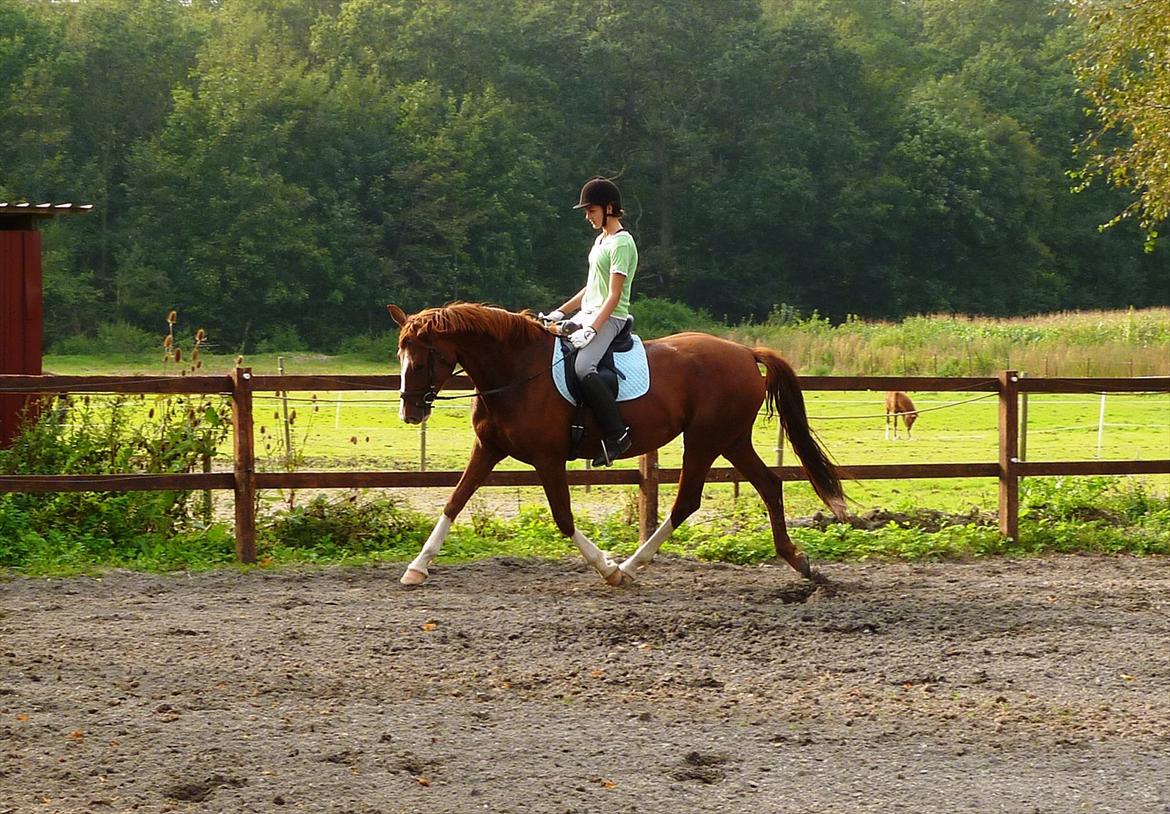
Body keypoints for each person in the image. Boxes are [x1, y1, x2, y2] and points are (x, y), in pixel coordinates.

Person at [542, 176, 638, 466]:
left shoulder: (622, 243)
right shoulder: (601, 241)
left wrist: (593, 329)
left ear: (609, 208)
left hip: (611, 317)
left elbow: (613, 295)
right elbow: (591, 287)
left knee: (585, 367)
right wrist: (560, 312)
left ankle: (618, 434)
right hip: (587, 313)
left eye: (591, 210)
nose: (587, 217)